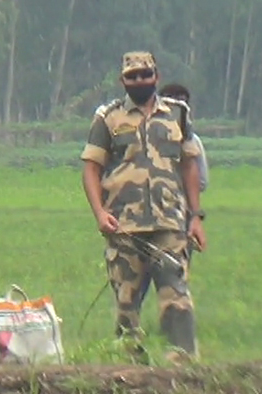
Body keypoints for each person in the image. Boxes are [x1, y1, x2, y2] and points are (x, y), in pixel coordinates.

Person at [80, 51, 206, 365]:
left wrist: (196, 217)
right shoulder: (108, 118)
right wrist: (99, 213)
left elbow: (190, 165)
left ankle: (183, 362)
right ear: (123, 81)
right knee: (126, 301)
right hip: (124, 225)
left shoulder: (177, 114)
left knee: (176, 293)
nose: (140, 81)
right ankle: (129, 365)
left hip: (169, 223)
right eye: (132, 76)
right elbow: (91, 168)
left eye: (145, 74)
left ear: (156, 76)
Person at [137, 83, 209, 304]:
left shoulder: (191, 140)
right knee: (137, 279)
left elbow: (202, 180)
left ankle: (174, 328)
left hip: (178, 216)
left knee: (175, 278)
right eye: (173, 98)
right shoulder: (142, 133)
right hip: (141, 216)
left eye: (183, 99)